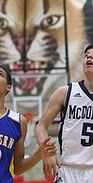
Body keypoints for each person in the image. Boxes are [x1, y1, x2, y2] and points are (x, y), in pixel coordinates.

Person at [35, 44, 93, 182]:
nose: (89, 57)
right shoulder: (65, 92)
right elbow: (40, 127)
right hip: (68, 171)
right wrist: (47, 152)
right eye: (86, 55)